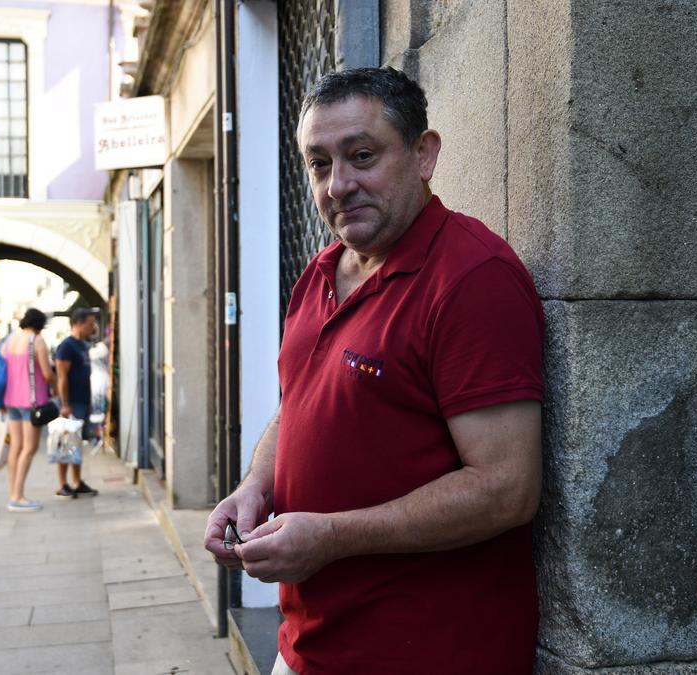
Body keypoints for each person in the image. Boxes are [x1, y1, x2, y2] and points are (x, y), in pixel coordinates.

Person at [203, 67, 544, 675]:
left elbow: (506, 489)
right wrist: (256, 486)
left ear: (424, 154)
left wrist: (330, 537)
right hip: (308, 644)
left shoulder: (471, 278)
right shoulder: (320, 273)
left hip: (425, 654)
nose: (339, 184)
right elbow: (302, 402)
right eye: (319, 163)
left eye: (362, 156)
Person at [2, 309, 55, 513]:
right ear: (40, 324)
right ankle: (18, 496)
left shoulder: (10, 340)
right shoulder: (36, 341)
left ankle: (12, 493)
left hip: (11, 400)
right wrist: (57, 385)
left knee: (16, 447)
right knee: (30, 448)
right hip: (31, 401)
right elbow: (47, 373)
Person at [53, 308, 100, 499]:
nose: (93, 327)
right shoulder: (67, 346)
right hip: (71, 402)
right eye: (90, 323)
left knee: (77, 443)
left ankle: (77, 481)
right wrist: (65, 403)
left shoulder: (82, 345)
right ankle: (63, 483)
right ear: (79, 323)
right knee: (66, 442)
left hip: (82, 401)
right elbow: (62, 376)